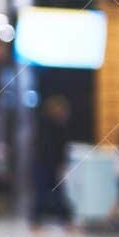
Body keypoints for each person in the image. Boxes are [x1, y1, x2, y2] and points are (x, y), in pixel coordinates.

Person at [30, 96, 73, 230]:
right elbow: (45, 147)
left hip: (53, 165)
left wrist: (61, 163)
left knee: (58, 193)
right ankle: (36, 222)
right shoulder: (46, 126)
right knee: (42, 193)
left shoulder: (60, 126)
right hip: (43, 164)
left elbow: (62, 148)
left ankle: (66, 221)